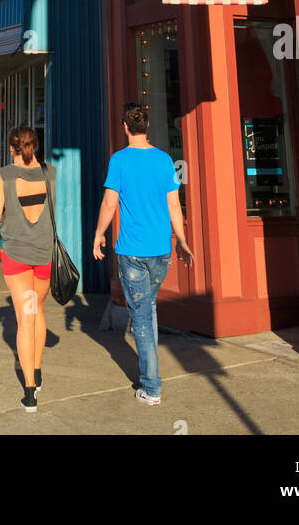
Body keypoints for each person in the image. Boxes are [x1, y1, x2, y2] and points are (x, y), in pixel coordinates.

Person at [93, 101, 193, 406]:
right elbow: (174, 206)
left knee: (142, 319)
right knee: (147, 311)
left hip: (132, 253)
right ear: (146, 126)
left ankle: (151, 387)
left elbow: (110, 203)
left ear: (125, 127)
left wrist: (98, 235)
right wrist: (183, 241)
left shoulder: (119, 161)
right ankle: (149, 378)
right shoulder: (164, 160)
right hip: (160, 251)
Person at [0, 126, 54, 413]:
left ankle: (30, 392)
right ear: (35, 146)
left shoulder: (4, 175)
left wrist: (10, 210)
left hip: (16, 255)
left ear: (12, 147)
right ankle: (37, 372)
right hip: (44, 254)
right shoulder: (50, 173)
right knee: (38, 310)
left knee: (24, 318)